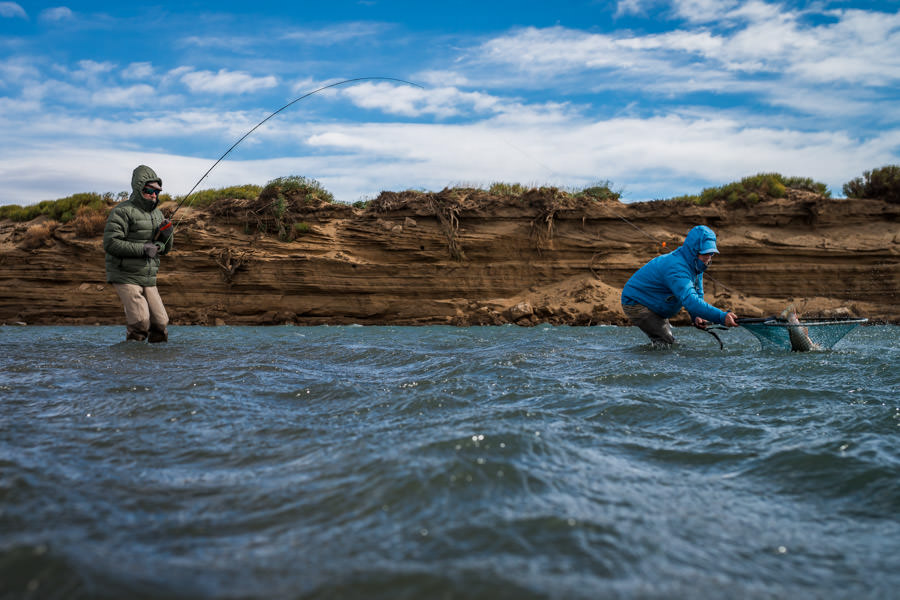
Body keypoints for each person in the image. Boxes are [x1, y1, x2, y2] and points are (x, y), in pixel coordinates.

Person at [621, 225, 738, 346]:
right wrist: (721, 317)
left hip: (656, 303)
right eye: (705, 253)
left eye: (711, 253)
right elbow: (691, 301)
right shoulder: (676, 268)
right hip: (636, 302)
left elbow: (698, 293)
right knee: (666, 344)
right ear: (694, 250)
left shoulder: (697, 264)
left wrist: (696, 315)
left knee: (667, 344)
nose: (708, 258)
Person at [103, 165, 174, 342]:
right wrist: (143, 248)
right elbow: (111, 243)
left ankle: (158, 365)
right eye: (149, 190)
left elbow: (163, 248)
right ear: (139, 188)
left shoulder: (158, 214)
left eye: (157, 191)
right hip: (124, 274)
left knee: (161, 323)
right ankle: (131, 363)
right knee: (141, 321)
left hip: (148, 276)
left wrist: (167, 236)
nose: (154, 195)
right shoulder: (121, 211)